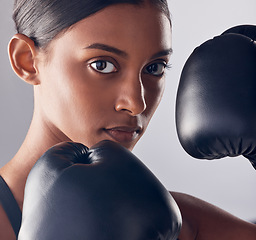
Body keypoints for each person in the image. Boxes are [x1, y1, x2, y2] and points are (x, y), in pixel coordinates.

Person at [0, 0, 255, 239]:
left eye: (154, 68)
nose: (136, 103)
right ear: (28, 61)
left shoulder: (175, 219)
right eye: (102, 65)